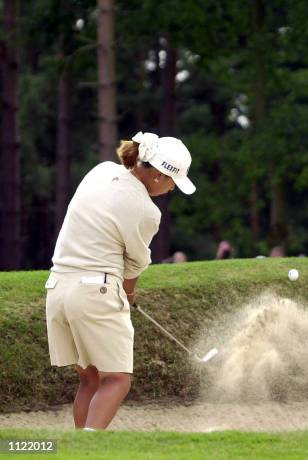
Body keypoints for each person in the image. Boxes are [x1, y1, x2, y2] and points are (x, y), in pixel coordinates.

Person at [44, 131, 196, 431]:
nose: (170, 190)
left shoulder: (101, 170)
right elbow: (135, 262)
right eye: (172, 183)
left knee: (91, 378)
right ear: (158, 176)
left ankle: (78, 450)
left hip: (58, 288)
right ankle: (89, 449)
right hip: (94, 292)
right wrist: (127, 294)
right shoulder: (146, 211)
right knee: (117, 380)